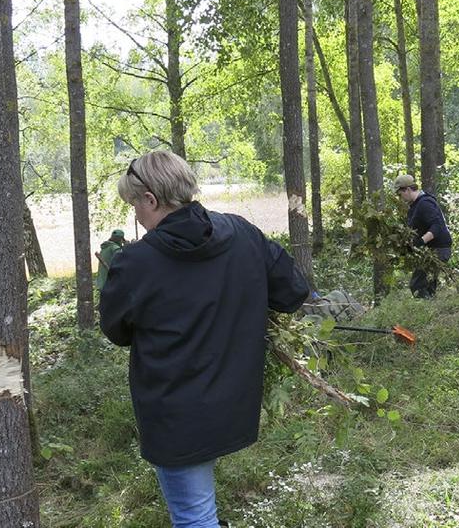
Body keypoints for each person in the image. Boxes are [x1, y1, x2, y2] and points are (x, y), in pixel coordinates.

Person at [99, 151, 309, 528]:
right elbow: (292, 292)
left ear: (151, 199)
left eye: (135, 205)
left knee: (195, 517)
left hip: (175, 413)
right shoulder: (241, 232)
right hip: (233, 403)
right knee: (199, 512)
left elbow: (117, 331)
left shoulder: (135, 263)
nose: (136, 216)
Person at [394, 174, 452, 298]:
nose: (400, 197)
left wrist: (420, 242)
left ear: (408, 189)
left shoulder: (425, 203)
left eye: (400, 194)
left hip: (439, 249)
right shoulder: (415, 205)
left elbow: (437, 226)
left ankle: (425, 313)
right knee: (428, 285)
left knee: (418, 284)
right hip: (432, 249)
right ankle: (433, 313)